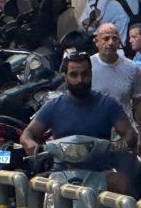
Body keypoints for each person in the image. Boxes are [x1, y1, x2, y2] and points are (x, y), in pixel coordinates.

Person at [21, 52, 137, 195]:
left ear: (91, 74)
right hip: (60, 172)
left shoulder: (108, 104)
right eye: (74, 75)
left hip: (99, 171)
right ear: (65, 77)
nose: (80, 79)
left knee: (122, 185)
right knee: (34, 186)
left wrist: (122, 144)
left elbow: (129, 132)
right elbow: (28, 133)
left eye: (85, 74)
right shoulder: (54, 106)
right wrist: (30, 143)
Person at [90, 23, 141, 125]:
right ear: (97, 42)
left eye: (115, 39)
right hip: (96, 131)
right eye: (106, 38)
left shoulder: (132, 68)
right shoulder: (87, 66)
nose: (110, 42)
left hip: (125, 133)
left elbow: (138, 103)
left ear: (119, 43)